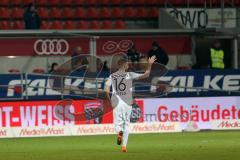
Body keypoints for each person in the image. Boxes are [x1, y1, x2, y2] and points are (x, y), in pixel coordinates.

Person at [105, 56, 156, 152]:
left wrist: (108, 100)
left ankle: (119, 132)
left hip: (116, 101)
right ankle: (124, 146)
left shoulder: (112, 76)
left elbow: (106, 90)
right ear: (124, 65)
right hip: (127, 102)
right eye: (127, 64)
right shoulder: (130, 74)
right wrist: (149, 65)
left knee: (117, 124)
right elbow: (146, 75)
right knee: (127, 124)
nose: (128, 65)